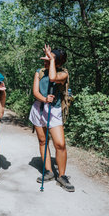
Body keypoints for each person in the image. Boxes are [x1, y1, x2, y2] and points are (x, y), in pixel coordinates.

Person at [28, 44, 74, 192]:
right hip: (39, 108)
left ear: (59, 63)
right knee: (43, 141)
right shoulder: (39, 72)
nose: (46, 61)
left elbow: (53, 78)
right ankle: (48, 171)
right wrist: (44, 99)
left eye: (51, 59)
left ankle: (62, 176)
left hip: (54, 111)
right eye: (47, 58)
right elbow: (35, 92)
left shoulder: (63, 74)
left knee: (60, 144)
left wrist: (52, 61)